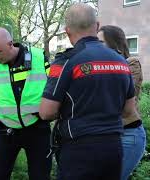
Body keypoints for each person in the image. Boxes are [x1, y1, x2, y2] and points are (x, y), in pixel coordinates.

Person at [39, 3, 137, 180]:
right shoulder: (121, 61)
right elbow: (129, 110)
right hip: (113, 148)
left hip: (79, 150)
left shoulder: (64, 62)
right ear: (97, 26)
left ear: (67, 31)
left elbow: (46, 112)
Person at [0, 27, 52, 180]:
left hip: (37, 127)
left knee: (40, 176)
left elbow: (53, 88)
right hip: (5, 129)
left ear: (10, 44)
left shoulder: (38, 57)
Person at [97, 25, 146, 180]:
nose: (96, 47)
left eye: (101, 42)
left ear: (115, 44)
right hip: (107, 135)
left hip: (127, 135)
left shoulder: (132, 63)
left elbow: (118, 95)